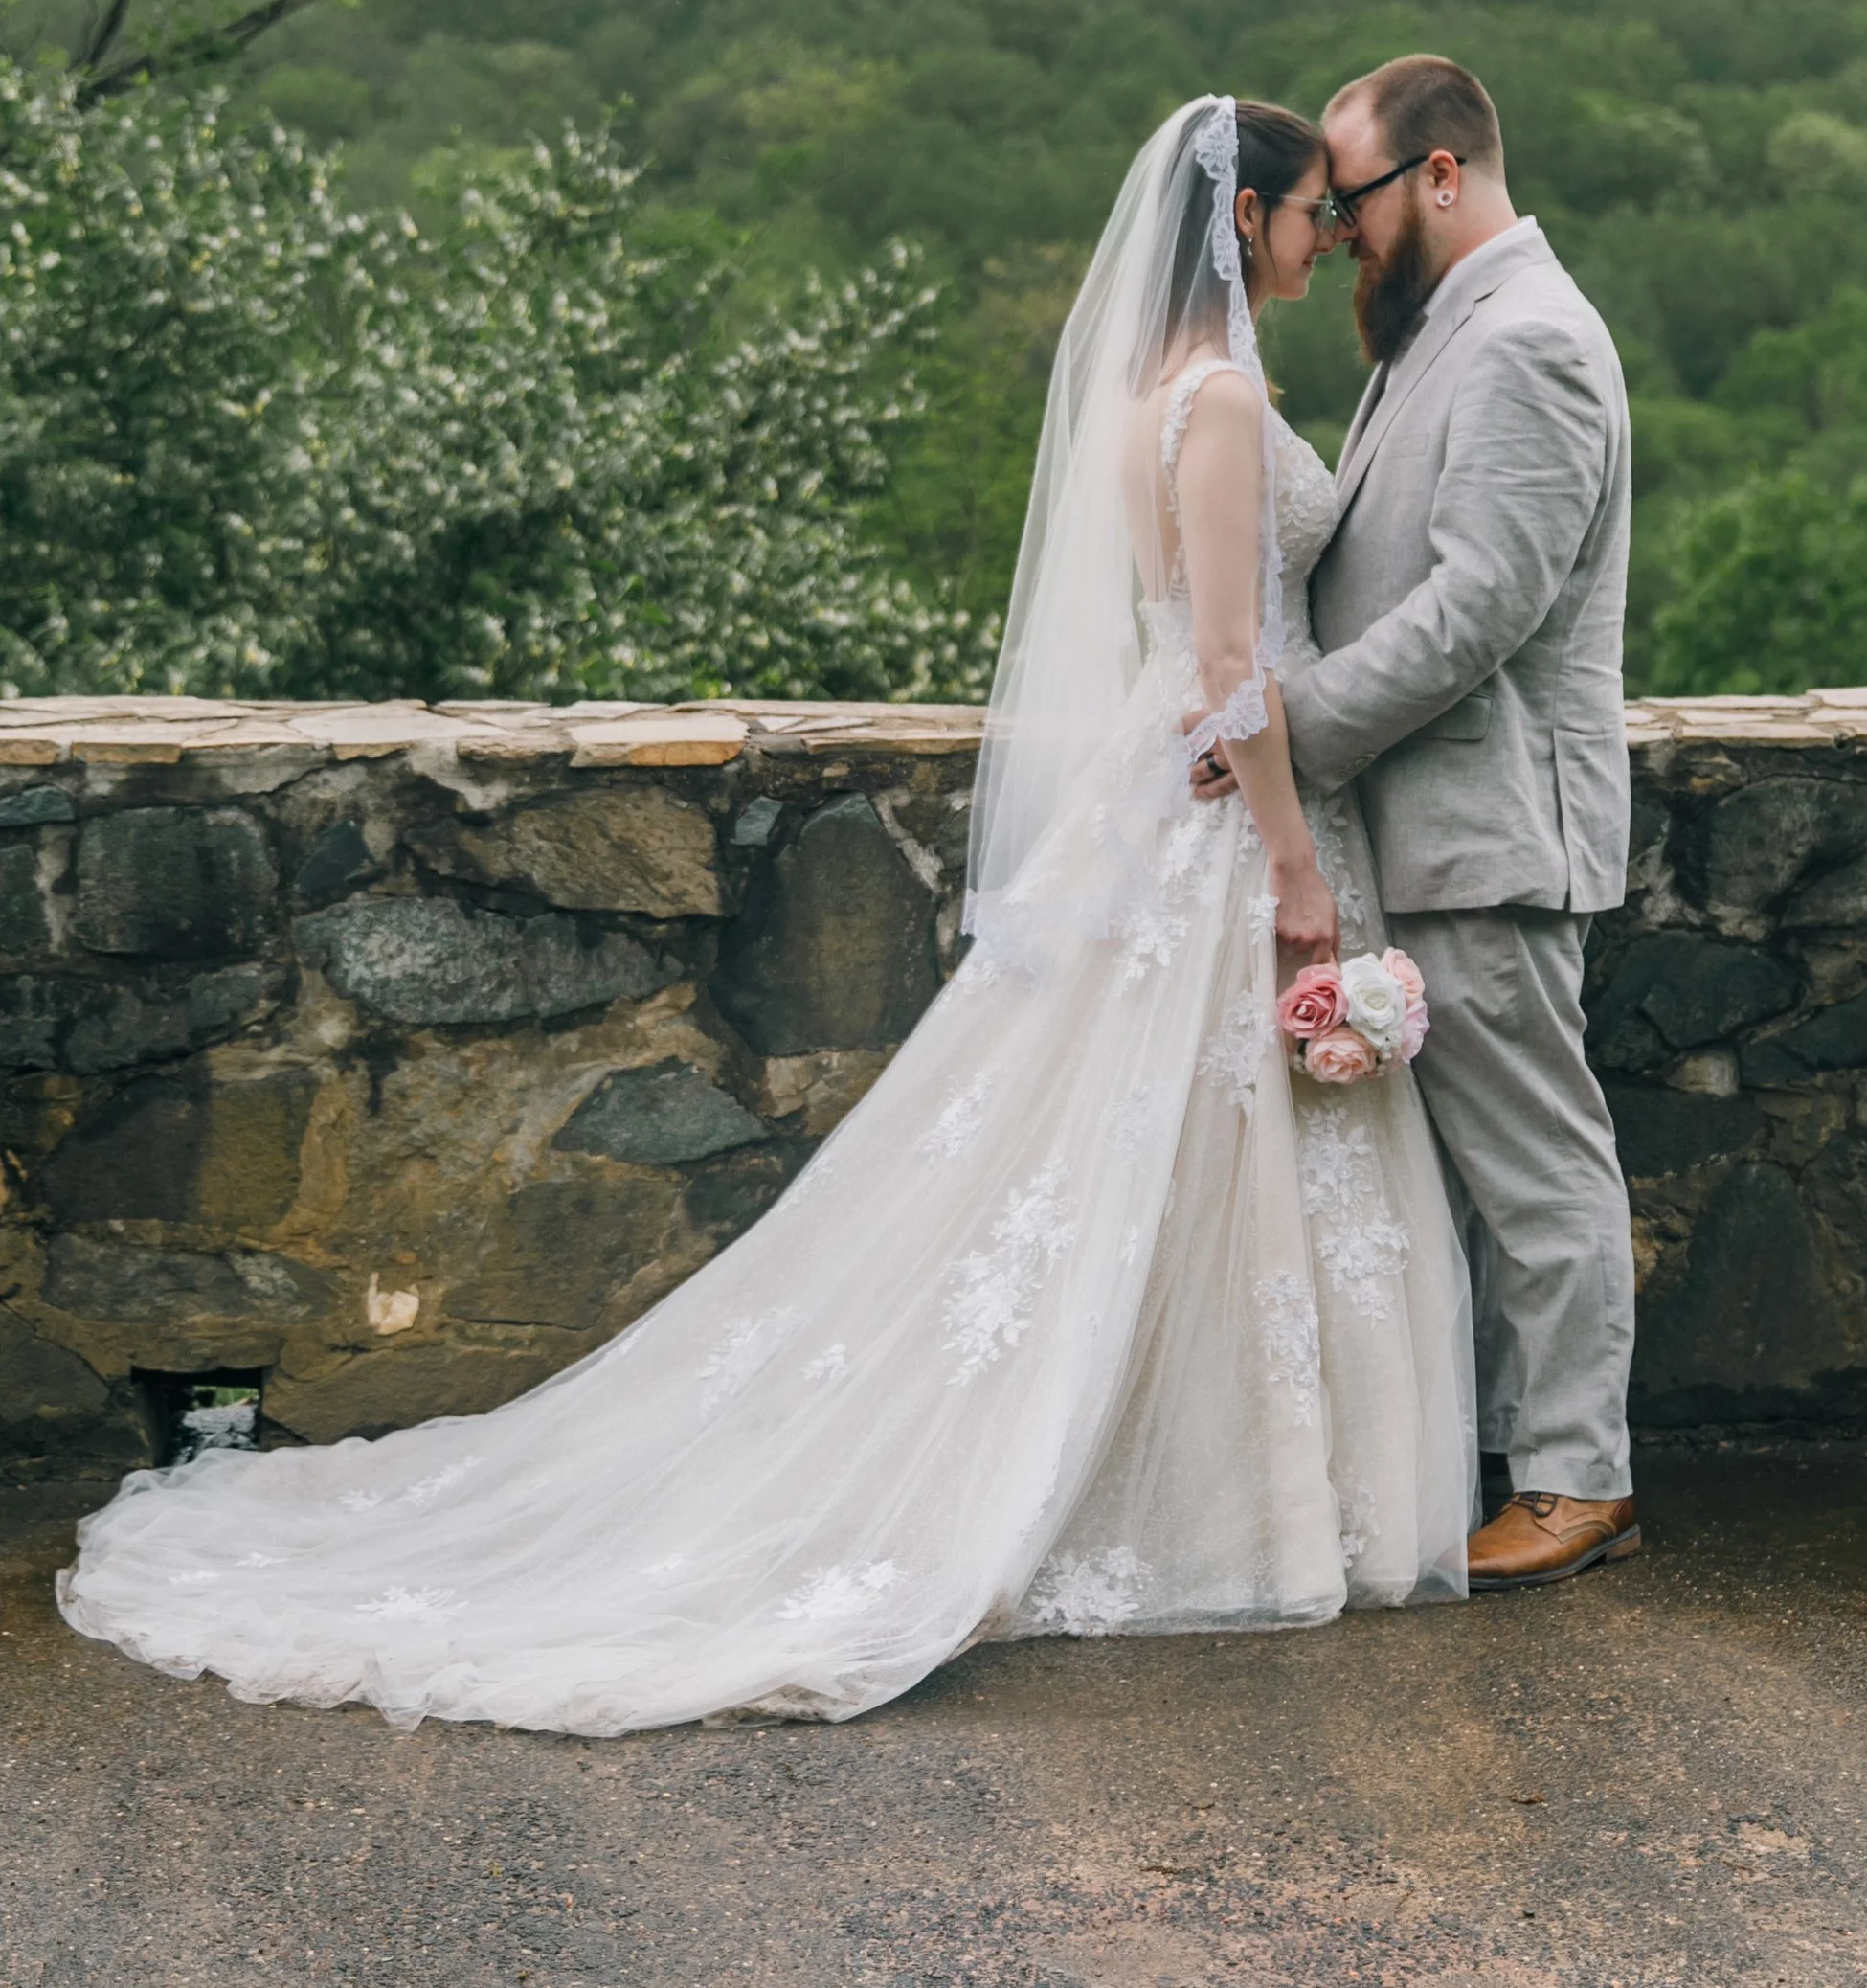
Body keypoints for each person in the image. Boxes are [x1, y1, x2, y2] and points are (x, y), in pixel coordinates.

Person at [58, 100, 1473, 1734]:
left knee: (1141, 1169)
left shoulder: (1137, 397)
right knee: (1188, 1163)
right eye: (1309, 214)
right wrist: (1299, 868)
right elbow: (1230, 669)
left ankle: (1238, 1480)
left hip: (1155, 808)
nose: (1326, 237)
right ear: (1244, 222)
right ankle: (1243, 1494)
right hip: (1226, 820)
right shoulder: (1218, 399)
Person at [1200, 54, 1638, 1591]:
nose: (1341, 229)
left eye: (1360, 196)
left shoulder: (1529, 342)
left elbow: (1481, 608)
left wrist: (1288, 729)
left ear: (1441, 177)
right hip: (1419, 826)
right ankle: (1508, 1460)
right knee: (1466, 1182)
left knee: (1538, 1165)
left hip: (1491, 823)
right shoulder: (1432, 335)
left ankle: (1581, 1478)